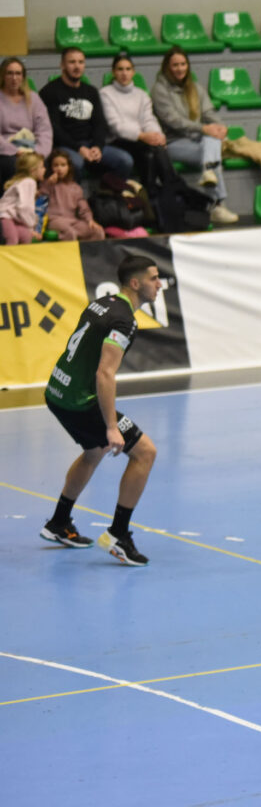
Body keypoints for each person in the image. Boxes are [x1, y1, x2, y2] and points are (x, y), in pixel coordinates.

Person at [39, 255, 162, 566]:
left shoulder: (103, 303)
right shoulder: (124, 321)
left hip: (56, 390)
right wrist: (111, 426)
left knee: (94, 451)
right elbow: (105, 373)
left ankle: (58, 523)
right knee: (145, 452)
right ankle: (118, 535)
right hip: (79, 401)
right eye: (153, 278)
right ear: (135, 283)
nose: (159, 284)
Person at [151, 47, 237, 225]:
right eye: (175, 65)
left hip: (198, 140)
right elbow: (173, 121)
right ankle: (218, 203)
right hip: (173, 143)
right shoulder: (159, 89)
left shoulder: (195, 88)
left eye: (183, 64)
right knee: (212, 151)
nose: (180, 68)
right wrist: (204, 128)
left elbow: (208, 113)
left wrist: (221, 128)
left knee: (212, 141)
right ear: (167, 67)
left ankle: (209, 175)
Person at [39, 47, 134, 180]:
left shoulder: (91, 91)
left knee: (125, 160)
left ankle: (109, 191)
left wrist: (97, 146)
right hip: (64, 146)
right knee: (76, 163)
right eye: (72, 62)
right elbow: (54, 129)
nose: (77, 66)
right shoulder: (49, 92)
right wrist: (79, 148)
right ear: (62, 65)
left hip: (90, 144)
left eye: (81, 62)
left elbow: (100, 124)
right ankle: (75, 193)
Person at [100, 54, 179, 198]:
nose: (124, 73)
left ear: (133, 72)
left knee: (154, 149)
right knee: (152, 149)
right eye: (120, 69)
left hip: (140, 141)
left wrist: (157, 135)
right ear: (113, 72)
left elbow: (148, 119)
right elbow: (116, 125)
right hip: (117, 141)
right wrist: (142, 136)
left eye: (128, 69)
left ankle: (154, 194)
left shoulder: (141, 95)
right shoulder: (105, 94)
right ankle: (172, 189)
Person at [0, 57, 52, 184]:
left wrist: (39, 152)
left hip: (31, 147)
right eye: (10, 73)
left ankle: (38, 196)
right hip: (6, 150)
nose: (14, 78)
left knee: (46, 165)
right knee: (13, 166)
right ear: (3, 76)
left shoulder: (33, 98)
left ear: (23, 77)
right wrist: (15, 151)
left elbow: (44, 129)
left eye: (18, 73)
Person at [42, 151, 104, 241]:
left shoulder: (75, 187)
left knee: (97, 231)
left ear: (69, 167)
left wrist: (90, 220)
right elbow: (40, 197)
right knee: (70, 233)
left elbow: (83, 207)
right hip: (54, 220)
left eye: (63, 165)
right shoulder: (47, 184)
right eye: (56, 165)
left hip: (72, 220)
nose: (59, 169)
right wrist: (48, 184)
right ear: (51, 168)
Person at [0, 152, 47, 244]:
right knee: (12, 239)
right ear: (33, 170)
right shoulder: (29, 182)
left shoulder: (24, 181)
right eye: (42, 167)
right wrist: (31, 225)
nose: (45, 169)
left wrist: (30, 231)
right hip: (5, 217)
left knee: (25, 236)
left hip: (13, 218)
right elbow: (24, 207)